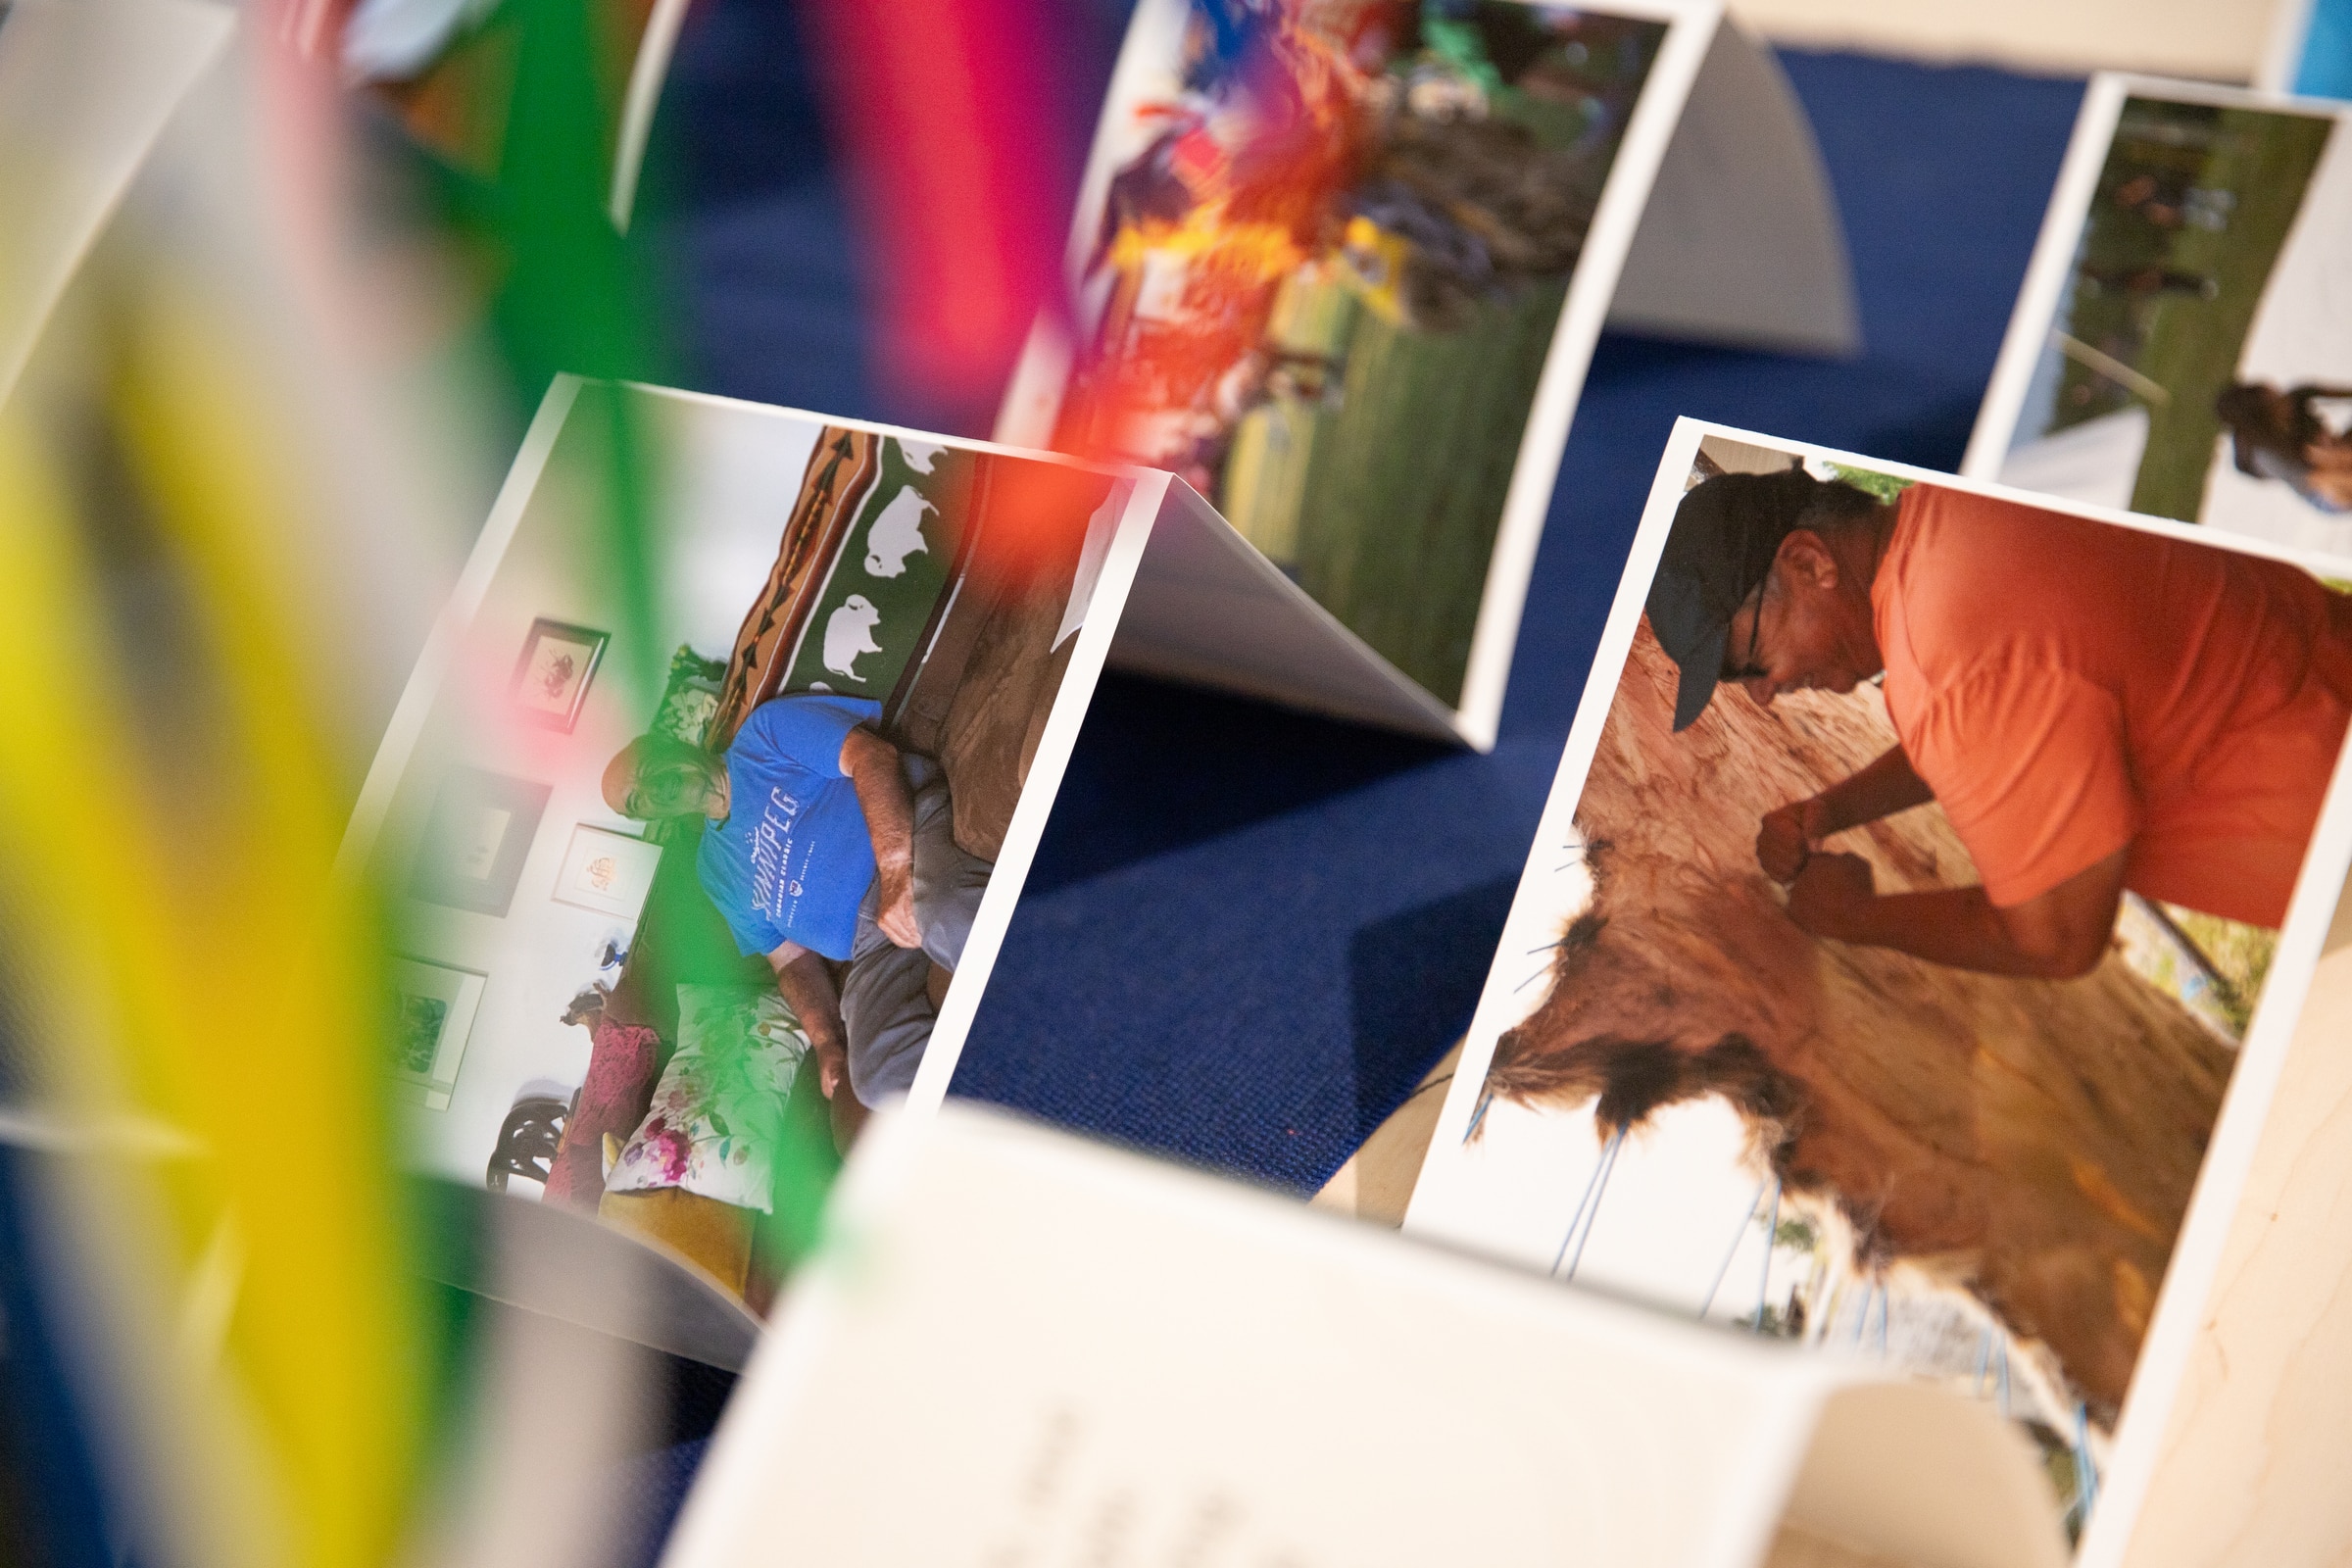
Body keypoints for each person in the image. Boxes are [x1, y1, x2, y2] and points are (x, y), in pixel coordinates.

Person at [1645, 465, 2352, 978]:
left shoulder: (1944, 665)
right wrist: (1831, 809)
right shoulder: (1958, 507)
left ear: (1807, 561)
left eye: (1750, 658)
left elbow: (2057, 938)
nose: (1763, 693)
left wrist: (1853, 919)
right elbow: (2028, 714)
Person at [602, 694, 990, 1144]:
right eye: (636, 801)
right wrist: (826, 1040)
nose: (651, 791)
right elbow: (787, 960)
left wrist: (896, 874)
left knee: (950, 916)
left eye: (647, 770)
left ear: (669, 746)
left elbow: (872, 756)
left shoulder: (764, 736)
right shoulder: (713, 870)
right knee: (879, 1081)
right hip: (869, 950)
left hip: (914, 843)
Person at [2216, 380, 2352, 514]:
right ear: (2265, 417)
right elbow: (2325, 478)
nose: (2283, 400)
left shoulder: (2295, 398)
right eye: (2275, 402)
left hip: (2331, 457)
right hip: (2325, 489)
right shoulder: (2273, 456)